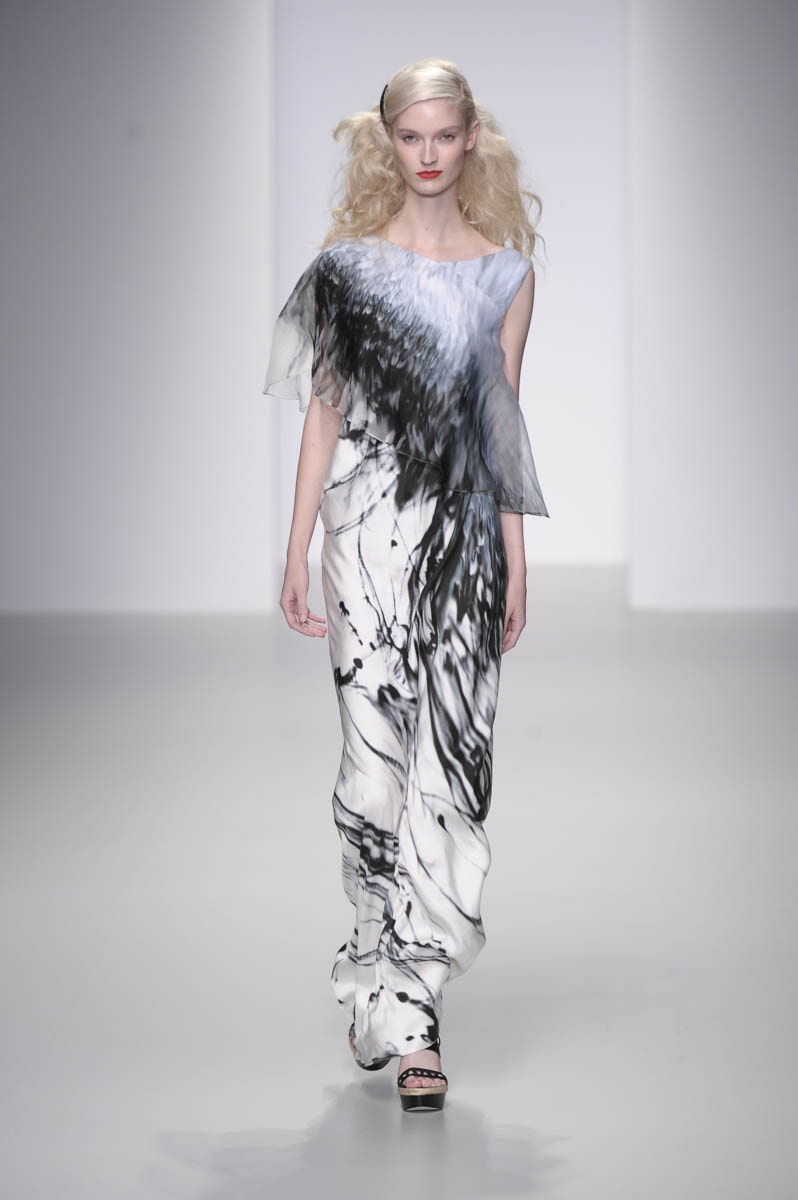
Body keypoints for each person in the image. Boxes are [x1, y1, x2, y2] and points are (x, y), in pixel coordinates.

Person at [263, 57, 550, 1113]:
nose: (428, 154)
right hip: (368, 538)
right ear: (388, 143)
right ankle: (386, 980)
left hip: (465, 540)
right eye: (411, 137)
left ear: (472, 138)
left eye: (445, 135)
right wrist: (296, 545)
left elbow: (500, 417)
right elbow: (325, 411)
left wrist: (518, 556)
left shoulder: (507, 275)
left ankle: (412, 991)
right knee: (375, 770)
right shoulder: (345, 272)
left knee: (456, 769)